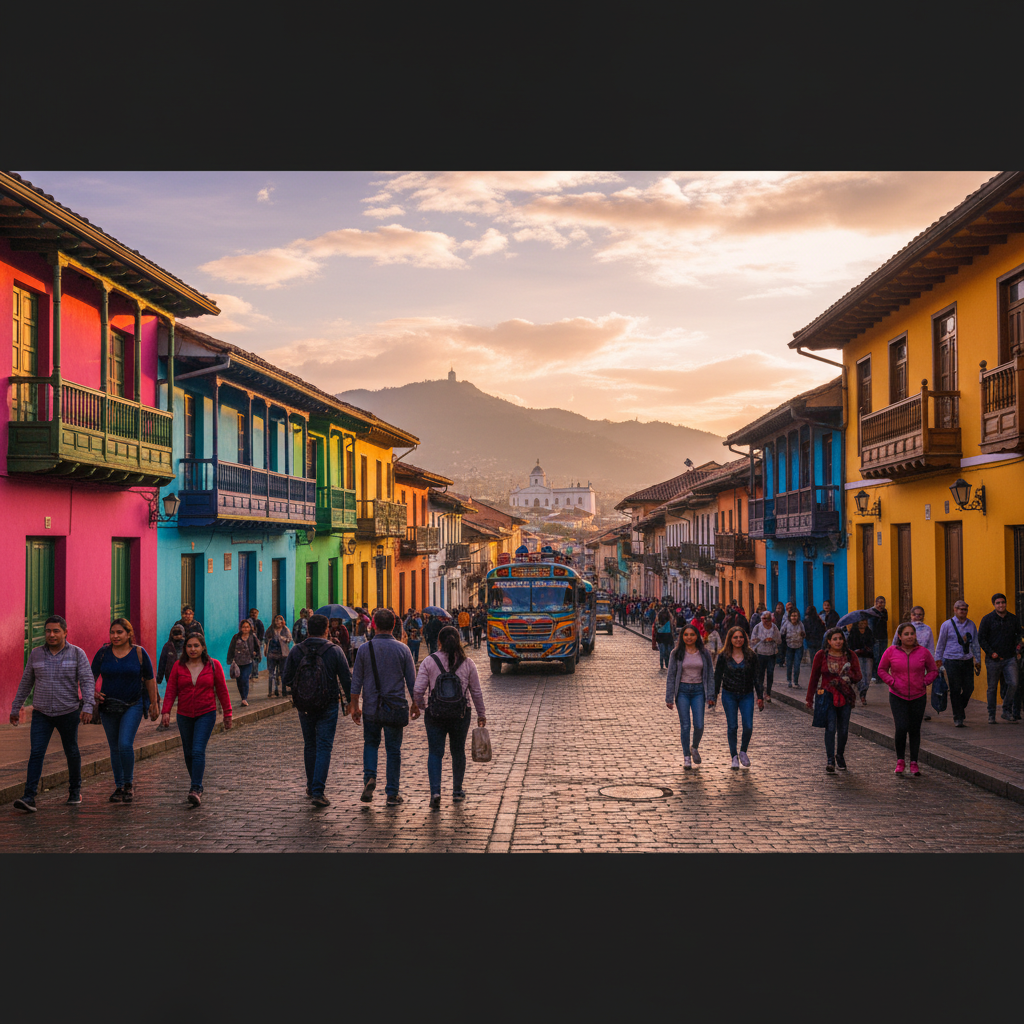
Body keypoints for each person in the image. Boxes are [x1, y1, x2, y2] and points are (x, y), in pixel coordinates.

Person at [10, 615, 95, 812]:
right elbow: (26, 683)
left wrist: (88, 707)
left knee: (71, 751)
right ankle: (29, 797)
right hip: (42, 714)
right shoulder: (36, 654)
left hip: (68, 712)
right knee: (36, 753)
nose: (51, 634)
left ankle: (75, 791)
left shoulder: (77, 654)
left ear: (65, 632)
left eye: (56, 631)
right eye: (48, 631)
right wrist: (16, 708)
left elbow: (87, 680)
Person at [280, 612, 352, 806]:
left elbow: (286, 678)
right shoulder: (335, 650)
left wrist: (302, 686)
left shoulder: (297, 650)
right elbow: (346, 679)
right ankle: (318, 792)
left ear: (308, 630)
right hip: (328, 704)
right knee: (324, 746)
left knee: (310, 744)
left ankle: (311, 787)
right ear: (327, 630)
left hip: (304, 705)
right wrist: (352, 702)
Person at [350, 608, 419, 807]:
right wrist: (415, 703)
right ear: (394, 626)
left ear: (374, 625)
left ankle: (370, 778)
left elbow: (356, 682)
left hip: (371, 708)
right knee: (393, 750)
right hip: (395, 708)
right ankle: (392, 792)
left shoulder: (364, 649)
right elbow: (412, 682)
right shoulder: (403, 649)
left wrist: (355, 706)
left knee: (371, 744)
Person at [413, 624, 487, 808]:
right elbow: (476, 692)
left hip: (435, 714)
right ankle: (457, 791)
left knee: (435, 752)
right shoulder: (468, 663)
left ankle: (435, 792)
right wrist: (481, 714)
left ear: (439, 642)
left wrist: (423, 706)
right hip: (461, 714)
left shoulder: (429, 661)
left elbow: (418, 690)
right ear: (458, 641)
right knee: (458, 751)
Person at [91, 618, 158, 803]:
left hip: (133, 705)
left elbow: (150, 678)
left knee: (125, 744)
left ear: (129, 634)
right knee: (114, 748)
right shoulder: (103, 653)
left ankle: (128, 784)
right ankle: (118, 786)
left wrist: (154, 703)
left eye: (119, 632)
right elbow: (90, 676)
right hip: (108, 706)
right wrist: (93, 693)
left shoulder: (139, 653)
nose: (115, 636)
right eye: (112, 632)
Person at [161, 633, 232, 806]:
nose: (193, 649)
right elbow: (171, 690)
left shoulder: (213, 665)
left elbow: (222, 690)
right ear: (185, 648)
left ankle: (196, 787)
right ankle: (196, 782)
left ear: (203, 647)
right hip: (184, 715)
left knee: (198, 750)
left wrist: (228, 713)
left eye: (196, 646)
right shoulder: (179, 666)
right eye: (189, 646)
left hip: (206, 713)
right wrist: (166, 711)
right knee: (188, 752)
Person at [878, 622, 939, 776]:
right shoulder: (891, 651)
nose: (910, 636)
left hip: (918, 696)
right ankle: (900, 760)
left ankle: (914, 762)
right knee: (901, 727)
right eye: (906, 634)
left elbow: (933, 670)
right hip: (897, 695)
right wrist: (892, 682)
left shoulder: (923, 652)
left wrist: (925, 682)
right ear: (899, 636)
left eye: (912, 633)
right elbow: (881, 670)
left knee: (914, 729)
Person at [806, 628, 861, 773]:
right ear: (829, 641)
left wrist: (849, 674)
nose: (838, 641)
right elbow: (814, 677)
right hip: (827, 696)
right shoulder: (821, 655)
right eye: (835, 639)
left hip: (846, 696)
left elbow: (858, 676)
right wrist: (809, 698)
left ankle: (840, 755)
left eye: (840, 638)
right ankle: (830, 759)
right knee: (830, 728)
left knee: (843, 729)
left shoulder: (850, 655)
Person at [665, 624, 715, 770]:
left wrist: (711, 695)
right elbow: (671, 676)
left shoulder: (704, 653)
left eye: (692, 634)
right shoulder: (676, 653)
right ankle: (686, 756)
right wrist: (669, 698)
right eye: (686, 635)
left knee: (699, 725)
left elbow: (710, 675)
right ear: (682, 637)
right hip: (683, 692)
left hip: (699, 691)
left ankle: (694, 747)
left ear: (697, 636)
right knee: (685, 725)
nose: (689, 637)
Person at [712, 626, 763, 769]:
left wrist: (760, 696)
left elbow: (757, 677)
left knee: (748, 726)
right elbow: (717, 676)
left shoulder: (751, 656)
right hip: (729, 694)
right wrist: (714, 695)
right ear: (730, 639)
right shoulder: (724, 656)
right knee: (732, 726)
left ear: (744, 639)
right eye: (735, 637)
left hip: (747, 694)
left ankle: (743, 751)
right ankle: (733, 756)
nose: (738, 640)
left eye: (741, 637)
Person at [934, 600, 981, 727]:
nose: (963, 612)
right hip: (951, 660)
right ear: (955, 610)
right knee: (955, 689)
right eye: (961, 609)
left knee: (969, 688)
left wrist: (978, 660)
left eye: (965, 609)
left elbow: (975, 643)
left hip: (967, 660)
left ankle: (959, 709)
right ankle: (958, 717)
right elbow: (941, 644)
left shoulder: (971, 625)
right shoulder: (947, 625)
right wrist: (938, 661)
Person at [978, 593, 1022, 724]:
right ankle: (991, 714)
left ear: (1006, 603)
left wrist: (1018, 648)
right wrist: (991, 652)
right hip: (993, 660)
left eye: (1003, 602)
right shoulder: (987, 619)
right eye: (998, 603)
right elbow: (981, 638)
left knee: (1013, 683)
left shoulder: (1013, 619)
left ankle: (1006, 710)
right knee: (992, 688)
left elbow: (1019, 634)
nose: (1001, 605)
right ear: (994, 604)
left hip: (1010, 658)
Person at [155, 624, 186, 728]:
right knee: (170, 698)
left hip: (185, 677)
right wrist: (159, 677)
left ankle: (183, 719)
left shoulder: (187, 645)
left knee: (183, 699)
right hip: (171, 677)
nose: (177, 636)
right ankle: (164, 720)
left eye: (179, 633)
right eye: (175, 633)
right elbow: (162, 662)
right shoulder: (167, 646)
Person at [750, 610, 781, 703]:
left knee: (770, 673)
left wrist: (773, 639)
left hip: (771, 654)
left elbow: (779, 640)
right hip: (760, 653)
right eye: (764, 619)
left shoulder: (774, 627)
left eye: (768, 619)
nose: (766, 621)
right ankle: (759, 694)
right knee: (760, 674)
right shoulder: (757, 627)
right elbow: (752, 640)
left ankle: (768, 693)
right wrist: (760, 640)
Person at [226, 619, 259, 706]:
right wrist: (230, 659)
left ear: (250, 628)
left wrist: (256, 654)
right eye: (243, 627)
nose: (245, 628)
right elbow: (231, 648)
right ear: (240, 628)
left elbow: (257, 647)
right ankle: (242, 697)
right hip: (237, 662)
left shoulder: (252, 637)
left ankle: (244, 698)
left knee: (245, 678)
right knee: (239, 680)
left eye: (247, 627)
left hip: (248, 661)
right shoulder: (236, 637)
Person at [264, 614, 293, 697]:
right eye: (276, 620)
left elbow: (289, 639)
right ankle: (271, 691)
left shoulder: (285, 629)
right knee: (271, 673)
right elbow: (266, 639)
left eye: (279, 621)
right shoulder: (270, 629)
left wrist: (282, 638)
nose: (278, 622)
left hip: (282, 654)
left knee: (282, 672)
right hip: (272, 654)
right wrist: (265, 649)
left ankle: (283, 690)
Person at [848, 617, 875, 705]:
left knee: (868, 676)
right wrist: (856, 650)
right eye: (861, 622)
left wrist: (868, 648)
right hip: (857, 657)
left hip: (868, 656)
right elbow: (850, 645)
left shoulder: (869, 632)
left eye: (864, 622)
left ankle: (864, 692)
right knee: (861, 676)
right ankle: (862, 694)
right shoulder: (853, 632)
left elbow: (872, 643)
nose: (863, 624)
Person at [780, 609, 806, 692]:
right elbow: (781, 633)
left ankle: (796, 681)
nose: (794, 617)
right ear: (790, 617)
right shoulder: (786, 624)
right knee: (789, 664)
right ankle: (789, 680)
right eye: (792, 616)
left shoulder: (800, 624)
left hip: (799, 646)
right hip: (789, 647)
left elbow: (804, 633)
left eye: (795, 616)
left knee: (797, 665)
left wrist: (803, 635)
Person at [869, 595, 889, 682]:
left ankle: (881, 675)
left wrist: (881, 614)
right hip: (875, 638)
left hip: (884, 636)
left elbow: (885, 620)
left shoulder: (884, 612)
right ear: (876, 603)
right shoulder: (872, 612)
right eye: (879, 602)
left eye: (883, 602)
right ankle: (874, 675)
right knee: (876, 657)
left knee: (882, 657)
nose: (881, 604)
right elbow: (871, 626)